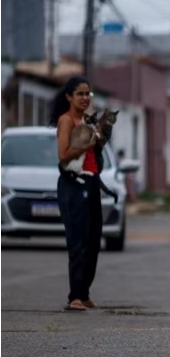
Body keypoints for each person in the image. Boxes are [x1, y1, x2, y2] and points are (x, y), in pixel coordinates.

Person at [49, 76, 106, 312]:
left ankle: (84, 294)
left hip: (91, 182)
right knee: (78, 241)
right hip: (74, 184)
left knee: (93, 241)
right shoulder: (66, 121)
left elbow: (94, 149)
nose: (85, 98)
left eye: (87, 94)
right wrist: (87, 142)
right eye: (80, 94)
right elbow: (63, 155)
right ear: (69, 97)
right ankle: (74, 296)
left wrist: (99, 138)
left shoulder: (87, 121)